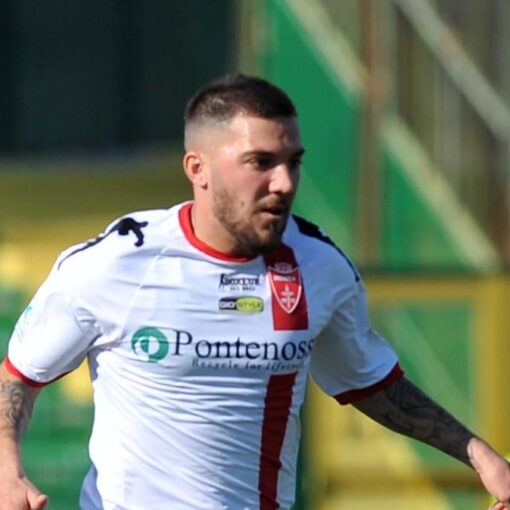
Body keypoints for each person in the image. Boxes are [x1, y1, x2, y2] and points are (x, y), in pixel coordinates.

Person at [0, 74, 509, 510]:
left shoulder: (319, 267)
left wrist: (480, 456)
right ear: (197, 168)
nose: (284, 182)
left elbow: (373, 384)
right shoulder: (116, 264)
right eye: (260, 161)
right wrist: (6, 469)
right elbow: (18, 377)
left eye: (293, 162)